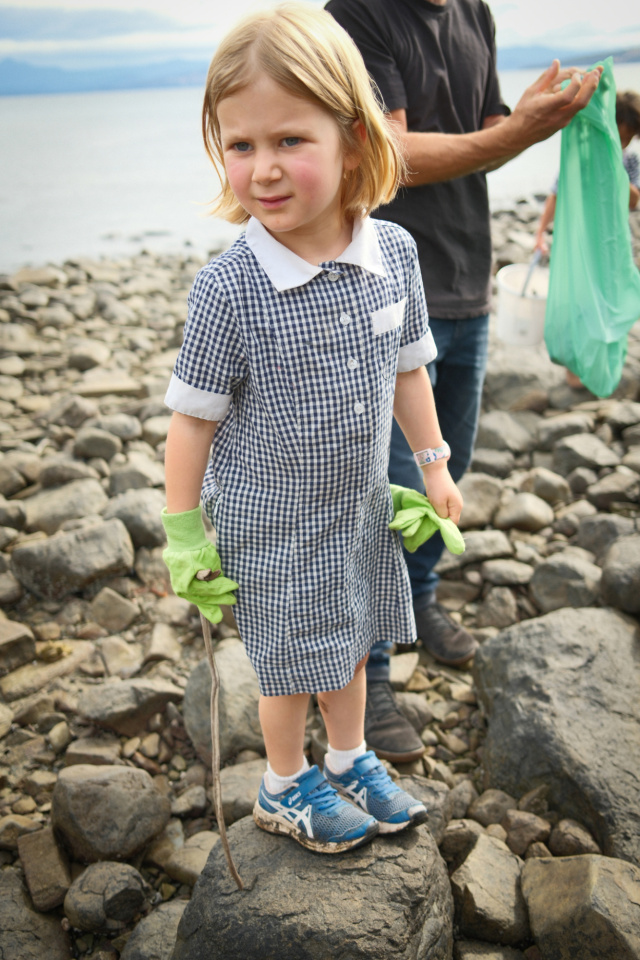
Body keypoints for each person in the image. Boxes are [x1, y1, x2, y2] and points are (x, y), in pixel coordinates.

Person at [160, 4, 463, 855]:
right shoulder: (231, 289)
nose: (261, 168)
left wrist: (433, 465)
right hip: (272, 519)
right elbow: (191, 421)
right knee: (292, 659)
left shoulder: (393, 254)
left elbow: (408, 369)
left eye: (290, 140)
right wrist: (184, 533)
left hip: (358, 500)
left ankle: (349, 757)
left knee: (356, 636)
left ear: (354, 141)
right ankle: (284, 783)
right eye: (240, 145)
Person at [326, 0, 602, 764]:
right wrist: (514, 134)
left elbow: (486, 132)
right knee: (380, 498)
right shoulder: (356, 15)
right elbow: (391, 152)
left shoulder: (474, 11)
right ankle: (370, 675)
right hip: (379, 296)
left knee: (450, 469)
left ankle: (417, 600)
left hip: (466, 278)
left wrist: (534, 120)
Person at [535, 89, 640, 257]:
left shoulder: (630, 160)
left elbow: (633, 201)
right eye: (619, 137)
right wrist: (540, 233)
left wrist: (611, 165)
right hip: (584, 236)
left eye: (628, 139)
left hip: (616, 237)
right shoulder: (584, 157)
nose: (622, 144)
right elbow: (556, 194)